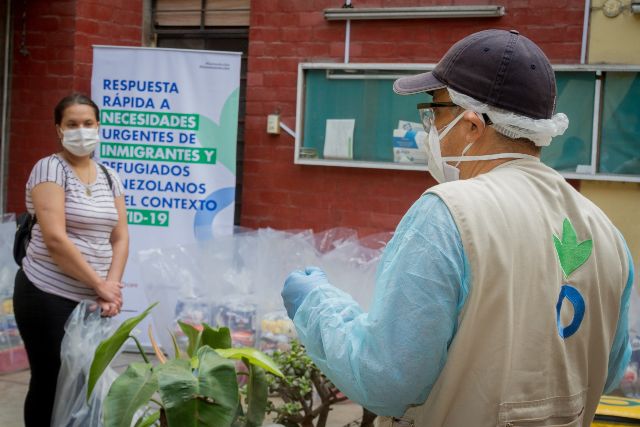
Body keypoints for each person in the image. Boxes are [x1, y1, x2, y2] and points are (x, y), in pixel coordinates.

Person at [281, 29, 635, 426]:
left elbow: (387, 380)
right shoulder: (605, 233)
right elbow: (606, 371)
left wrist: (317, 307)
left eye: (434, 112)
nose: (428, 130)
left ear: (471, 125)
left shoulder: (448, 213)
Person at [13, 93, 128, 426]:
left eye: (88, 123)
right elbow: (55, 239)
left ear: (99, 126)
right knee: (51, 379)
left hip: (93, 298)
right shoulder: (50, 169)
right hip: (46, 293)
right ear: (59, 130)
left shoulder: (109, 176)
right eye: (72, 124)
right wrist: (100, 285)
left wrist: (112, 286)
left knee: (82, 383)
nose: (81, 130)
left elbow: (120, 236)